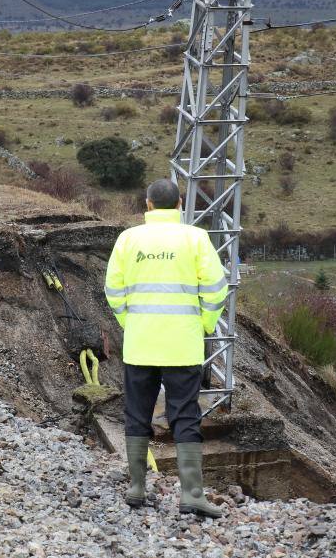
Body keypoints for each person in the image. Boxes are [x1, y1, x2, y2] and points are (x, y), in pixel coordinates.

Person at [104, 178, 228, 518]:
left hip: (141, 345)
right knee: (185, 415)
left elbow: (113, 290)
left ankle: (137, 488)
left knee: (137, 414)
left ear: (147, 205)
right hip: (182, 346)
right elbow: (217, 290)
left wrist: (132, 324)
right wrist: (202, 324)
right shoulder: (196, 238)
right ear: (178, 206)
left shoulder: (128, 239)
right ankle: (191, 495)